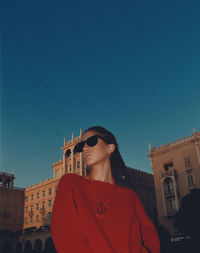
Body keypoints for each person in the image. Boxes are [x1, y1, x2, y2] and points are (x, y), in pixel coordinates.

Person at [51, 126, 160, 253]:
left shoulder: (129, 196)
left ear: (110, 147)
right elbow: (66, 238)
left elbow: (151, 240)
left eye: (91, 142)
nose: (85, 148)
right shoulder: (71, 184)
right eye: (81, 146)